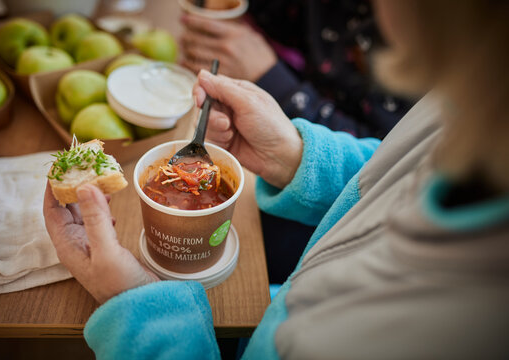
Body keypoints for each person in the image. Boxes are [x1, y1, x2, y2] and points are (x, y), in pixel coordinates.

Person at [44, 0, 509, 358]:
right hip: (283, 295)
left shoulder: (435, 330)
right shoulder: (476, 93)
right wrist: (295, 156)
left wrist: (138, 309)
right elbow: (396, 173)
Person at [180, 0, 416, 283]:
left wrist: (272, 78)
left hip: (323, 242)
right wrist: (291, 155)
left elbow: (393, 156)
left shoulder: (416, 39)